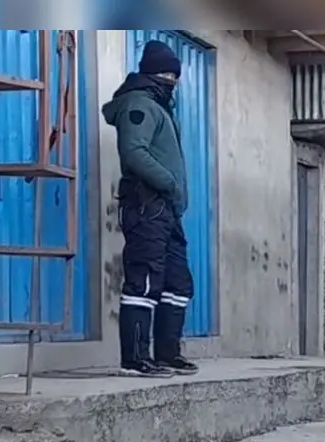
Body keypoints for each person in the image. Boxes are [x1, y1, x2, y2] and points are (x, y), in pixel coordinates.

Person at [102, 40, 197, 378]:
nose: (174, 81)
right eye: (170, 74)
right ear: (157, 74)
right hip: (147, 205)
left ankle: (167, 355)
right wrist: (170, 183)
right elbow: (134, 152)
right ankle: (135, 359)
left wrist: (175, 197)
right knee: (143, 281)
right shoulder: (139, 105)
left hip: (167, 210)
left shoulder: (159, 106)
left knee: (178, 284)